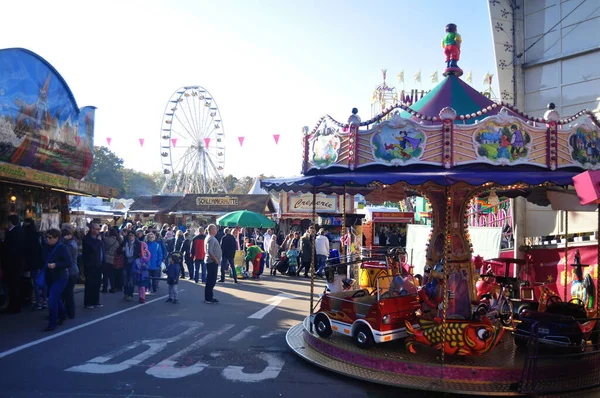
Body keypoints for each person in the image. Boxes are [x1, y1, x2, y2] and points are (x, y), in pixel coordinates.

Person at [43, 228, 71, 331]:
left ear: (57, 238)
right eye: (46, 237)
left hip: (60, 276)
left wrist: (56, 265)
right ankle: (63, 314)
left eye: (50, 238)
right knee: (55, 297)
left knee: (52, 299)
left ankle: (52, 322)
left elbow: (69, 263)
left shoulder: (62, 248)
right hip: (50, 276)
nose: (48, 240)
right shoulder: (46, 247)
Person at [1, 215, 24, 313]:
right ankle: (16, 305)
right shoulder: (20, 231)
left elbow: (7, 248)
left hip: (11, 264)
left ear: (10, 222)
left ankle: (13, 307)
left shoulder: (12, 233)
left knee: (13, 286)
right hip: (18, 263)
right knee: (16, 285)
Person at [23, 218, 45, 310]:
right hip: (42, 261)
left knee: (35, 282)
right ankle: (44, 301)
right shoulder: (39, 236)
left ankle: (38, 302)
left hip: (32, 262)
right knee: (43, 282)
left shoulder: (26, 236)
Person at [83, 223, 105, 309]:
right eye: (97, 229)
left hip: (99, 264)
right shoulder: (87, 239)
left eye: (99, 229)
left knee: (97, 283)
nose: (99, 231)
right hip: (90, 265)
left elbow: (102, 249)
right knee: (90, 284)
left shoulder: (99, 238)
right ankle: (88, 302)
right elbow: (93, 248)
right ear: (92, 229)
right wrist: (98, 241)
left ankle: (95, 301)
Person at [61, 228, 79, 319]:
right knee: (67, 293)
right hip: (73, 271)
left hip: (71, 271)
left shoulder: (70, 245)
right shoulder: (73, 243)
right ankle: (66, 312)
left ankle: (70, 313)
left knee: (68, 293)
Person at [204, 224, 222, 303]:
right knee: (211, 280)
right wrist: (215, 259)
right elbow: (209, 251)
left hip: (212, 261)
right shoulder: (210, 239)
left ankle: (209, 296)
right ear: (211, 230)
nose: (216, 230)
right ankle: (208, 298)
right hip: (212, 261)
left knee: (211, 280)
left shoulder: (211, 238)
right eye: (215, 229)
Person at [122, 230, 141, 302]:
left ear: (134, 236)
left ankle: (130, 294)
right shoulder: (125, 242)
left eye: (132, 235)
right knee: (125, 279)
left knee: (131, 279)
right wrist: (122, 250)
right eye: (129, 235)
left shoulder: (138, 244)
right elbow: (118, 251)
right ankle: (126, 293)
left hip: (133, 263)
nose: (130, 237)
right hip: (125, 263)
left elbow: (140, 253)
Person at [102, 228, 121, 293]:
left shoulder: (106, 239)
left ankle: (105, 288)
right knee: (111, 275)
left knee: (105, 275)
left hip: (106, 258)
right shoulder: (117, 241)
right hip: (113, 259)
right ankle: (113, 288)